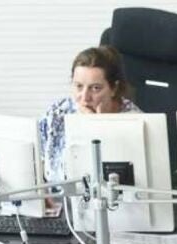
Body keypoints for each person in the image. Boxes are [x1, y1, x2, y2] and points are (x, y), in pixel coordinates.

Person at [37, 46, 140, 183]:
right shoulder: (57, 113)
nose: (85, 97)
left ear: (114, 89)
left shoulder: (134, 121)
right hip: (56, 196)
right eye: (79, 86)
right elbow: (37, 163)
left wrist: (96, 127)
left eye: (95, 88)